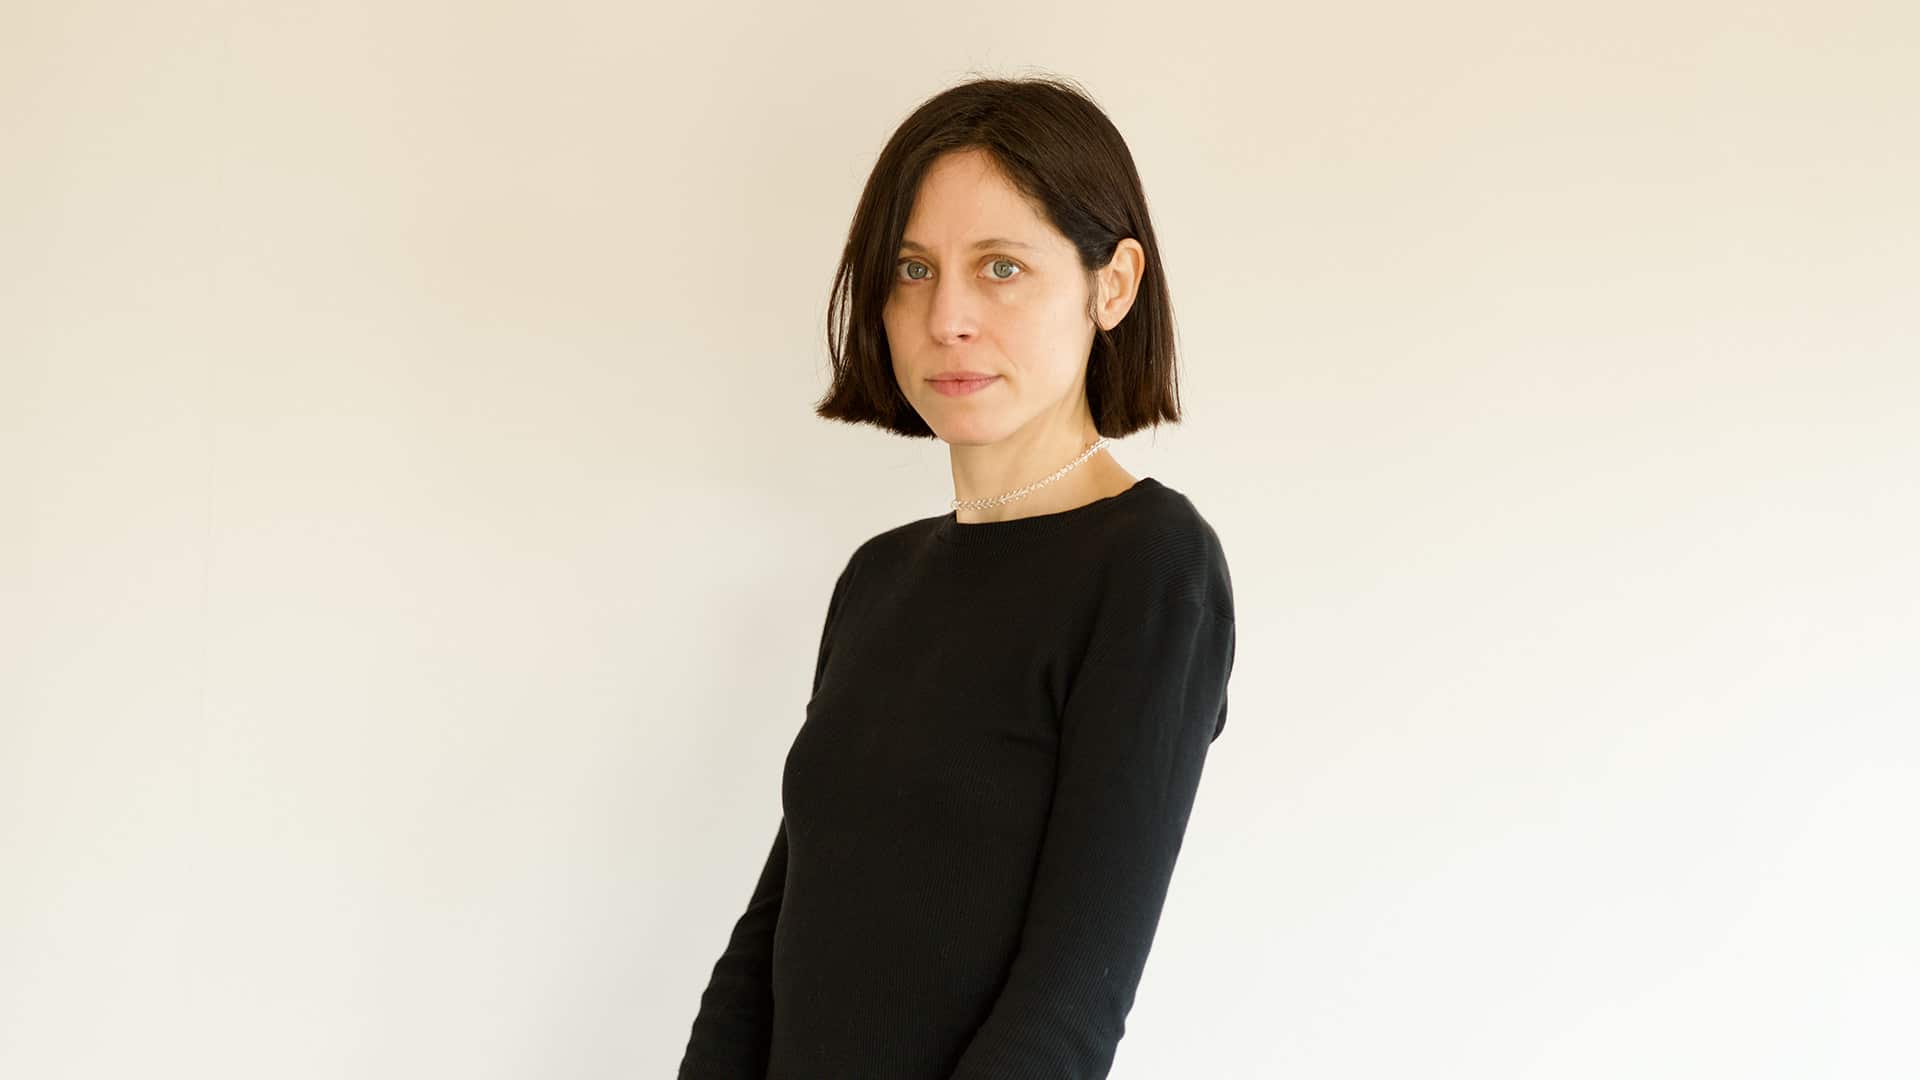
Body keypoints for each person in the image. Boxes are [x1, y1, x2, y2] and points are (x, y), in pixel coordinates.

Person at [677, 73, 1237, 1080]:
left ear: (1112, 286)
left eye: (1001, 267)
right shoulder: (878, 578)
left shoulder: (1154, 568)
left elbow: (1071, 1004)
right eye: (914, 268)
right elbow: (766, 947)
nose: (947, 317)